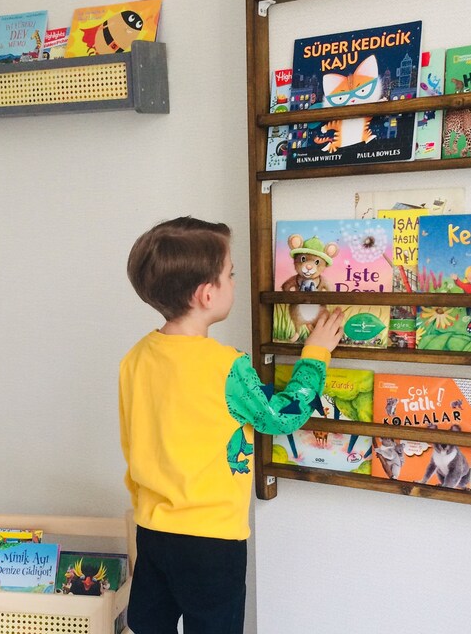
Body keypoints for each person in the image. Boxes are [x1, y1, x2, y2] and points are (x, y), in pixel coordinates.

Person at [119, 216, 344, 634]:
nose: (235, 282)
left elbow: (131, 441)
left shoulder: (135, 357)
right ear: (207, 294)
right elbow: (280, 417)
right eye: (231, 275)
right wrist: (315, 354)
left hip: (153, 528)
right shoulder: (227, 367)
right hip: (211, 539)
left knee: (150, 625)